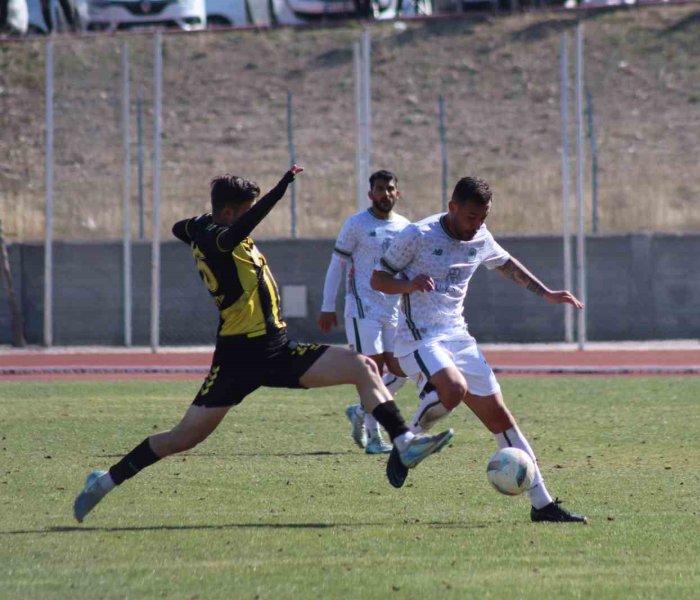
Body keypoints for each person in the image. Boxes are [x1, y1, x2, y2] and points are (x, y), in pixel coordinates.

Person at [72, 165, 453, 523]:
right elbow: (233, 230)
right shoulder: (222, 239)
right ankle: (104, 481)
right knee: (182, 437)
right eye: (246, 212)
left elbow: (178, 227)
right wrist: (279, 190)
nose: (250, 219)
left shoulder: (207, 228)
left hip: (275, 347)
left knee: (363, 366)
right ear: (228, 214)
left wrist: (196, 225)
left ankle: (403, 441)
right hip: (239, 357)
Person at [371, 176, 587, 524]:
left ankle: (543, 504)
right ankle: (407, 442)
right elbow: (377, 279)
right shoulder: (418, 235)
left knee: (501, 418)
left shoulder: (480, 236)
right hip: (418, 337)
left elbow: (505, 263)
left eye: (483, 218)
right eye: (471, 216)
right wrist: (408, 284)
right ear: (452, 207)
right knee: (454, 389)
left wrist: (546, 293)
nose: (477, 225)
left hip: (458, 336)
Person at [318, 170, 410, 455]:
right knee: (373, 371)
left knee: (402, 370)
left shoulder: (406, 227)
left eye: (390, 188)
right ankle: (374, 436)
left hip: (393, 310)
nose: (385, 194)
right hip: (362, 309)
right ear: (370, 194)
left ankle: (360, 411)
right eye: (379, 189)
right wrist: (327, 305)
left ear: (398, 193)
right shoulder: (356, 224)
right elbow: (337, 266)